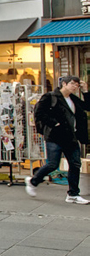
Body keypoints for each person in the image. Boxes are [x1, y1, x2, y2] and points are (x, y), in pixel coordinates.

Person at [26, 75, 89, 204]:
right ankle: (33, 181)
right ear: (64, 84)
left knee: (75, 164)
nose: (75, 86)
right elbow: (38, 113)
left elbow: (87, 107)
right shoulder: (50, 97)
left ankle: (73, 194)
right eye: (72, 84)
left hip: (71, 137)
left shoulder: (72, 99)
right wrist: (54, 123)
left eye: (77, 85)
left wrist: (86, 91)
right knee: (53, 164)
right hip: (55, 137)